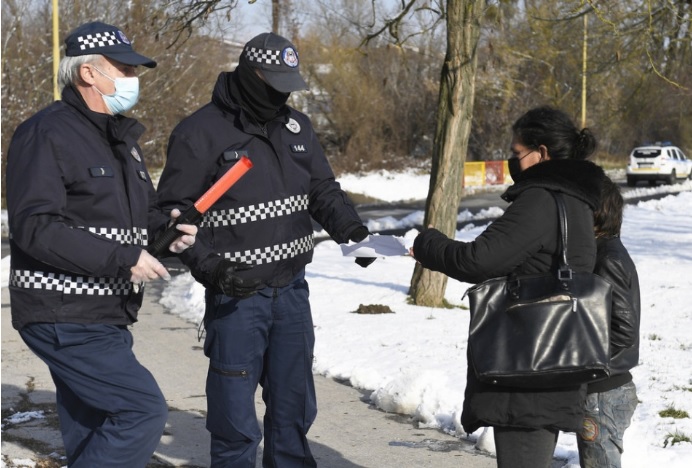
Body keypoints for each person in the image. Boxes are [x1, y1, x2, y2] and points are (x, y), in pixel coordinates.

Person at [156, 32, 375, 467]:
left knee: (294, 408)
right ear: (250, 74)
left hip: (292, 291)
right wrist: (211, 268)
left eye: (289, 85)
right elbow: (171, 218)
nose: (282, 95)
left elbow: (321, 189)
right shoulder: (200, 132)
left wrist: (351, 230)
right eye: (275, 85)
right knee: (234, 419)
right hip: (236, 297)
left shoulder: (296, 127)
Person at [6, 21, 197, 467]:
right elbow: (35, 226)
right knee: (141, 411)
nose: (133, 79)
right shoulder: (46, 133)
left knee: (94, 430)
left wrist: (167, 234)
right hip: (62, 312)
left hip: (104, 311)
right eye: (124, 69)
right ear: (88, 73)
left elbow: (137, 216)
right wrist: (122, 257)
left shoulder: (119, 139)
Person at [411, 105, 606, 468]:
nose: (512, 160)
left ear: (541, 152)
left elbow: (478, 260)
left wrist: (427, 244)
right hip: (554, 360)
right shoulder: (575, 200)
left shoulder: (541, 200)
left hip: (527, 367)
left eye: (517, 152)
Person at [578, 176, 640, 467]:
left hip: (604, 391)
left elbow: (624, 330)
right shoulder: (603, 251)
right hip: (605, 389)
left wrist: (588, 363)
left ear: (595, 213)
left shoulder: (608, 259)